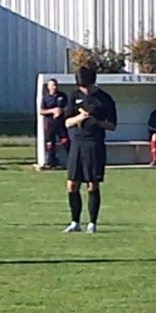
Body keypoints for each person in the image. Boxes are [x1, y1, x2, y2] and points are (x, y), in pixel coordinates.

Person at [62, 66, 118, 233]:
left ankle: (92, 223)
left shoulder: (104, 99)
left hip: (95, 143)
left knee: (92, 185)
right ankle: (75, 222)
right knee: (72, 184)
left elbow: (113, 125)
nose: (83, 89)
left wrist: (97, 122)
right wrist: (80, 118)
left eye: (86, 86)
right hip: (77, 143)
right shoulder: (74, 97)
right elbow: (66, 122)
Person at [39, 78, 69, 170]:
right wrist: (53, 111)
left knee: (66, 141)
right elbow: (41, 111)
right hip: (50, 124)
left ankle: (73, 160)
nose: (54, 87)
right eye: (52, 85)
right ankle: (51, 162)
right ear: (48, 87)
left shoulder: (62, 96)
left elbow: (68, 107)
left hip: (61, 124)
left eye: (55, 85)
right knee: (50, 143)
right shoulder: (46, 98)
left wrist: (61, 111)